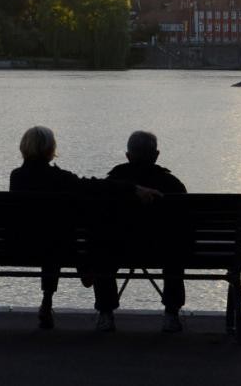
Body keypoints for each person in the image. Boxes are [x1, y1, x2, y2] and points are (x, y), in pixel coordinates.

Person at [8, 125, 157, 332]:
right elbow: (94, 186)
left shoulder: (16, 177)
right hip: (64, 248)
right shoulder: (60, 178)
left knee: (48, 231)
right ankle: (83, 269)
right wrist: (133, 188)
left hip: (21, 246)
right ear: (51, 150)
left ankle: (51, 298)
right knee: (62, 230)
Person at [104, 130, 189, 333]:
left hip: (119, 249)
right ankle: (171, 314)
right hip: (163, 251)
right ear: (156, 155)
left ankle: (106, 314)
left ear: (128, 155)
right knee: (175, 248)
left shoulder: (112, 182)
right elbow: (186, 226)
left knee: (102, 248)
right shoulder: (173, 185)